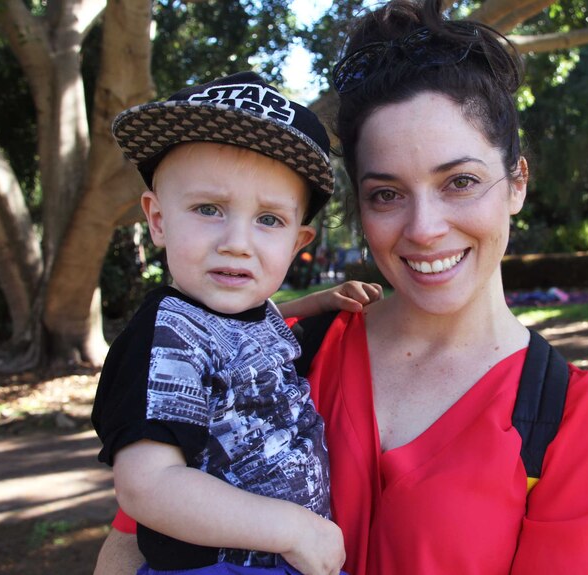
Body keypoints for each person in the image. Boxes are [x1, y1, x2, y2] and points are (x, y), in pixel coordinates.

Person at [95, 1, 588, 573]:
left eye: (461, 182)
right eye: (386, 193)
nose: (424, 228)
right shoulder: (280, 355)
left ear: (516, 182)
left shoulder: (568, 419)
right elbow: (134, 541)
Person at [92, 71, 382, 575]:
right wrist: (293, 528)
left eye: (268, 219)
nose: (237, 242)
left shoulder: (234, 312)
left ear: (297, 243)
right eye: (209, 208)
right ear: (158, 220)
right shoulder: (167, 339)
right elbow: (147, 485)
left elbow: (261, 321)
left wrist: (320, 303)